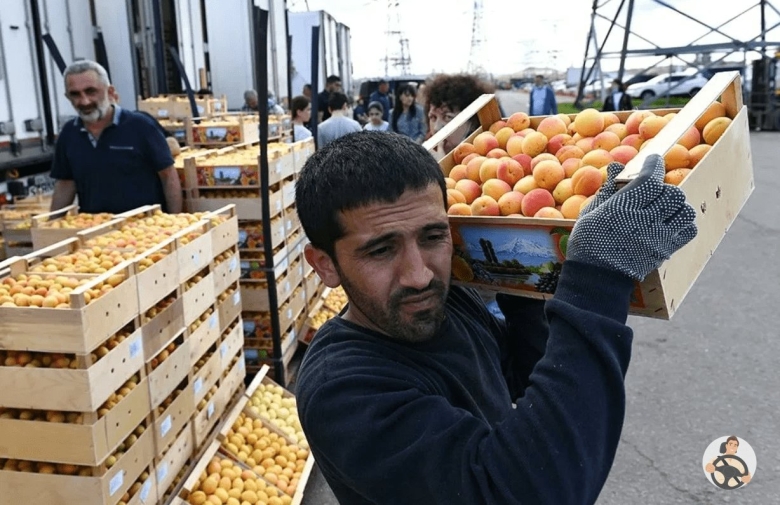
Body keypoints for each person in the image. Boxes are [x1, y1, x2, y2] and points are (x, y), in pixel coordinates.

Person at [294, 132, 697, 504]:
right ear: (325, 264)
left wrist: (523, 276)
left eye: (433, 237)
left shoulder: (449, 303)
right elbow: (527, 492)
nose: (419, 275)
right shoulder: (343, 390)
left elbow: (520, 376)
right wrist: (597, 278)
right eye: (381, 250)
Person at [50, 60, 182, 214]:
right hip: (95, 232)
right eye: (75, 94)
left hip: (144, 229)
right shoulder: (69, 134)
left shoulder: (141, 126)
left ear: (110, 92)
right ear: (67, 97)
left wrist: (174, 220)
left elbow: (168, 176)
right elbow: (65, 183)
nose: (84, 101)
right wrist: (49, 228)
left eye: (91, 91)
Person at [425, 73, 493, 159]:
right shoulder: (423, 154)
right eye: (433, 117)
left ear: (472, 123)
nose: (436, 128)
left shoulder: (489, 157)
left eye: (448, 117)